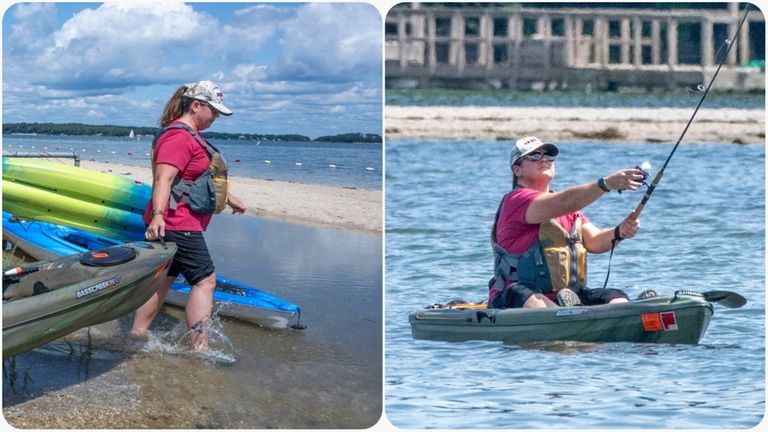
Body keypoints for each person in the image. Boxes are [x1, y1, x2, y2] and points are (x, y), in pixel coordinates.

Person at [131, 80, 247, 350]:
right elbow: (164, 179)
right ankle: (200, 349)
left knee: (164, 279)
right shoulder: (179, 137)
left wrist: (230, 198)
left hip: (177, 221)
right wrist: (159, 215)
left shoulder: (188, 135)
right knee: (205, 280)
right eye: (214, 111)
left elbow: (196, 178)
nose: (216, 117)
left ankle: (138, 332)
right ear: (197, 106)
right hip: (177, 223)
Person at [489, 136, 644, 309]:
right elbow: (565, 201)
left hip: (568, 296)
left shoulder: (568, 210)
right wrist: (606, 184)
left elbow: (595, 241)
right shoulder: (516, 200)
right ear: (517, 170)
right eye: (534, 156)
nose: (543, 159)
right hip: (517, 296)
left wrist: (620, 231)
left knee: (615, 296)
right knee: (526, 294)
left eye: (548, 156)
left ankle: (633, 312)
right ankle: (568, 318)